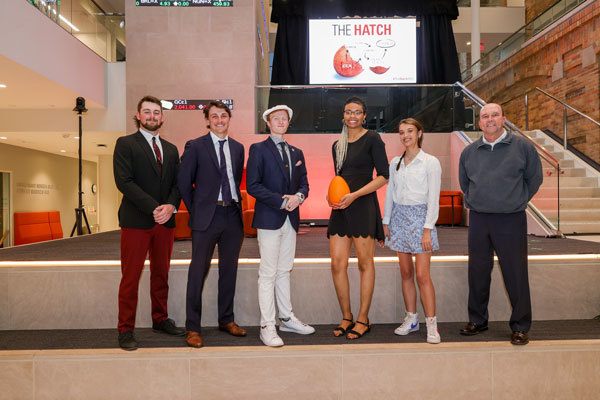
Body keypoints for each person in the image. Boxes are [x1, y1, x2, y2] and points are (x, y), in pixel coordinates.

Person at [459, 103, 542, 345]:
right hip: (479, 218)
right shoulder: (469, 152)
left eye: (495, 115)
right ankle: (478, 320)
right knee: (478, 272)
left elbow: (534, 178)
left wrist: (515, 200)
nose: (490, 119)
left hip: (511, 218)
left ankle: (520, 325)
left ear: (504, 118)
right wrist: (478, 201)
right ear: (479, 123)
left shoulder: (522, 147)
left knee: (515, 273)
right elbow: (466, 184)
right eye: (485, 116)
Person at [113, 95, 184, 351]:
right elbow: (124, 182)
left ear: (162, 117)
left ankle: (160, 319)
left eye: (156, 112)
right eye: (147, 112)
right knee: (130, 277)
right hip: (136, 221)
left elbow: (178, 184)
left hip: (165, 222)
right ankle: (125, 330)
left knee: (161, 274)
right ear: (139, 115)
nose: (152, 116)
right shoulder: (125, 144)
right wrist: (154, 208)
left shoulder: (172, 149)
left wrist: (170, 206)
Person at [178, 100, 247, 348]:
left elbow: (235, 178)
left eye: (224, 116)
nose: (219, 120)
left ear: (229, 119)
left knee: (229, 271)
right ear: (207, 120)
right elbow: (184, 182)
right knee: (198, 271)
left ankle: (226, 320)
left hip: (232, 217)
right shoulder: (196, 146)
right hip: (206, 217)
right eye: (214, 116)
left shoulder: (239, 148)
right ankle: (193, 327)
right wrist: (196, 208)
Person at [246, 105, 315, 347]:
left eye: (284, 118)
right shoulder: (258, 149)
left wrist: (299, 197)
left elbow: (304, 183)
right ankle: (267, 325)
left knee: (284, 269)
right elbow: (253, 185)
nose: (281, 121)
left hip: (291, 219)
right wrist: (281, 201)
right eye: (276, 118)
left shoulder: (297, 152)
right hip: (269, 218)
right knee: (268, 272)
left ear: (288, 122)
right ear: (268, 122)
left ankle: (286, 318)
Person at [328, 96, 389, 340]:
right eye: (348, 112)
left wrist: (354, 195)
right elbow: (340, 180)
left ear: (364, 116)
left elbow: (384, 176)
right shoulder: (337, 145)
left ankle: (363, 318)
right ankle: (346, 316)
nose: (352, 116)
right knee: (337, 264)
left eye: (357, 112)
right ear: (343, 116)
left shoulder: (373, 139)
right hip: (341, 209)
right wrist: (332, 196)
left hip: (363, 205)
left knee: (365, 264)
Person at [382, 118, 442, 344]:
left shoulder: (430, 162)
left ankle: (432, 324)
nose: (405, 135)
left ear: (419, 133)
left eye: (409, 131)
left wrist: (428, 228)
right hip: (399, 218)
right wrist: (386, 220)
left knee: (422, 275)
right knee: (405, 273)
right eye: (401, 132)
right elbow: (390, 194)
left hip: (421, 220)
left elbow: (433, 198)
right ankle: (411, 318)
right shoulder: (395, 162)